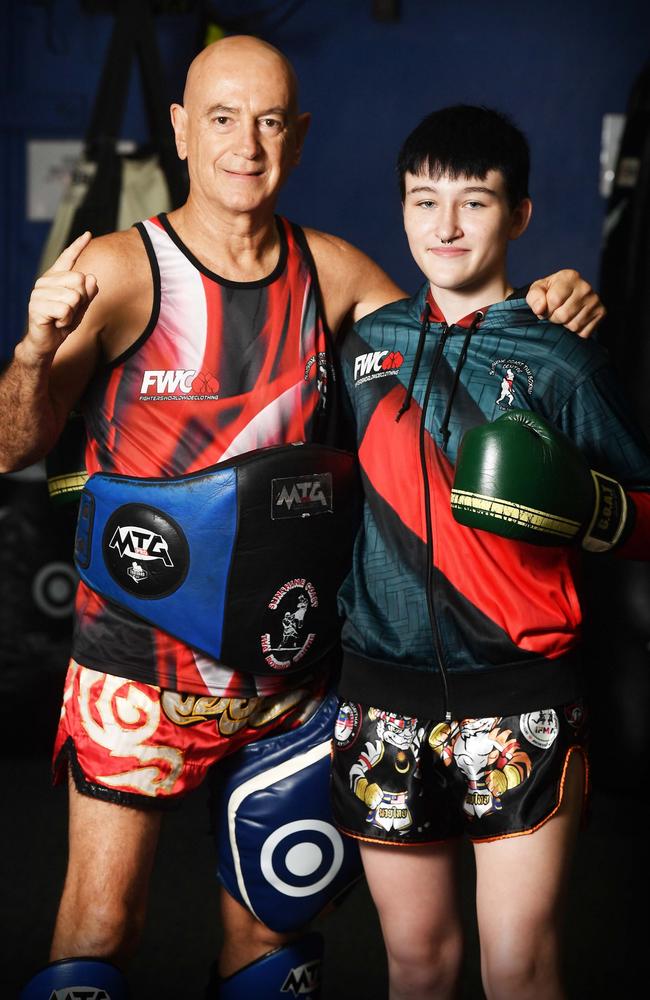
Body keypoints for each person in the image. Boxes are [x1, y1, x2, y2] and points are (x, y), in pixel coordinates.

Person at [0, 34, 604, 998]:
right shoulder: (121, 269)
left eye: (271, 121)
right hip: (138, 666)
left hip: (288, 677)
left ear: (300, 135)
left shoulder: (333, 274)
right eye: (224, 118)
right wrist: (34, 353)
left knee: (272, 951)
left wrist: (546, 300)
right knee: (99, 933)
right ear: (181, 132)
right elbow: (11, 448)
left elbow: (453, 343)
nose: (247, 143)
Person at [330, 104, 650, 1000]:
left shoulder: (562, 361)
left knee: (519, 968)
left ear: (519, 215)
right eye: (423, 200)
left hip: (521, 696)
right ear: (399, 209)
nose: (445, 226)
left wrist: (584, 506)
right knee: (417, 964)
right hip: (378, 693)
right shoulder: (367, 347)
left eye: (474, 201)